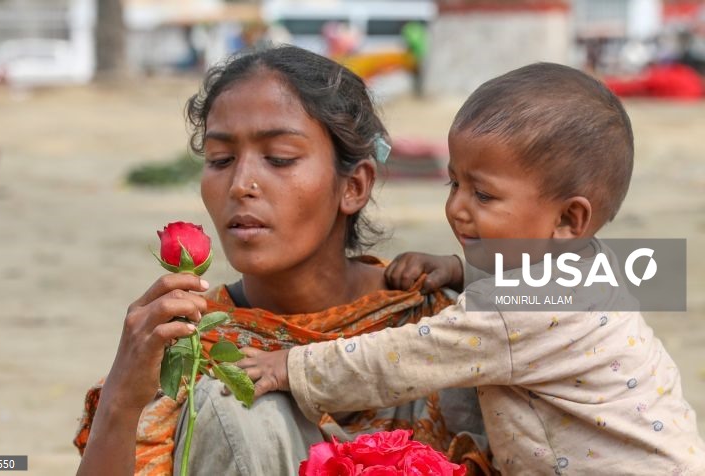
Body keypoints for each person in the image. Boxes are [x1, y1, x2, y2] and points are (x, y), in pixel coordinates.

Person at [237, 63, 705, 474]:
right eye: (453, 182)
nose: (457, 208)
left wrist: (292, 368)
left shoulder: (511, 313)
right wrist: (461, 271)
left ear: (567, 218)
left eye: (483, 195)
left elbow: (403, 359)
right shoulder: (590, 268)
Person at [74, 45, 489, 476]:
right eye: (220, 160)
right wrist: (122, 399)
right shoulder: (190, 347)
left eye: (280, 158)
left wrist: (471, 271)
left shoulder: (441, 321)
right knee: (236, 401)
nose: (241, 184)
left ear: (354, 186)